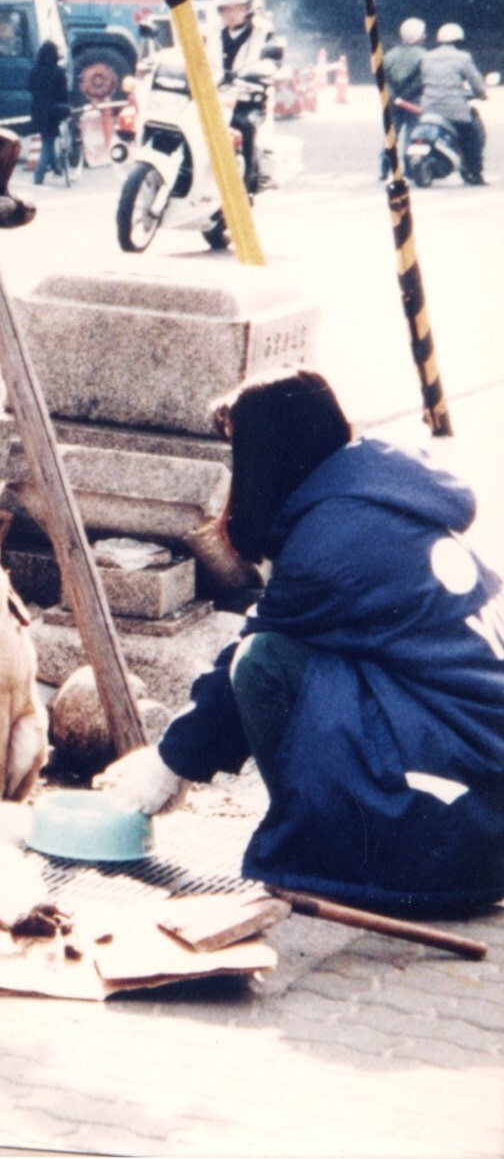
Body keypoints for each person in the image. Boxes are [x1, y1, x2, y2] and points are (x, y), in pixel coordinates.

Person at [99, 368, 504, 914]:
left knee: (264, 665)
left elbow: (257, 647)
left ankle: (332, 851)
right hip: (480, 780)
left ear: (266, 454)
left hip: (454, 820)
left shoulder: (332, 544)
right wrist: (180, 759)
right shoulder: (376, 495)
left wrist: (168, 765)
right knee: (282, 655)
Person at [209, 0, 274, 194]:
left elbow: (271, 60)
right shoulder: (212, 31)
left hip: (249, 100)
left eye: (236, 8)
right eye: (225, 9)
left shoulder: (263, 31)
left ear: (249, 8)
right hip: (216, 96)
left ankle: (246, 187)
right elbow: (194, 55)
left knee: (244, 127)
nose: (230, 14)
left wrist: (258, 71)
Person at [420, 23, 489, 184]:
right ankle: (475, 173)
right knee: (470, 138)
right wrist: (482, 94)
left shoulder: (427, 57)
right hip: (454, 108)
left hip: (428, 106)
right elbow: (476, 82)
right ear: (459, 41)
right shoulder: (463, 58)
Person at [380, 17, 426, 179]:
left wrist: (395, 96)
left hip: (393, 101)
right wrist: (407, 95)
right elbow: (423, 79)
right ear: (419, 36)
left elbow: (382, 80)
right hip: (414, 102)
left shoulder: (390, 55)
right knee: (412, 134)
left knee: (391, 134)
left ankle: (385, 166)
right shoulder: (424, 56)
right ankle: (409, 167)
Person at [28, 39, 70, 185]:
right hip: (53, 111)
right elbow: (63, 93)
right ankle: (38, 175)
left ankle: (55, 166)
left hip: (37, 110)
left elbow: (30, 88)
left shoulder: (34, 70)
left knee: (47, 139)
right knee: (48, 142)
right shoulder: (59, 72)